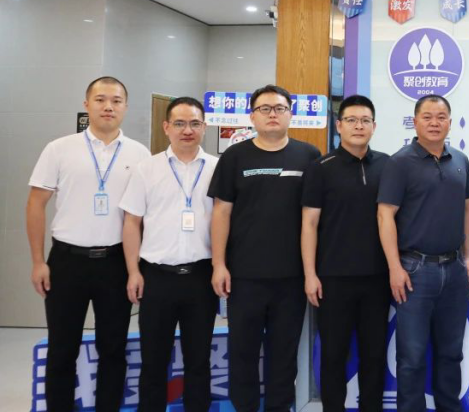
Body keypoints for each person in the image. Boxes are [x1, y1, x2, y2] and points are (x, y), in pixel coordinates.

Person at [26, 76, 151, 411]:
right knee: (62, 348)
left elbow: (141, 216)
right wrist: (38, 261)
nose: (108, 107)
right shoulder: (59, 149)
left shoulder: (140, 154)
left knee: (113, 348)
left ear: (126, 106)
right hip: (67, 261)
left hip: (116, 263)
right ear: (87, 105)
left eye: (116, 101)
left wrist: (135, 268)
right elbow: (36, 204)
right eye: (100, 100)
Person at [208, 84, 321, 412]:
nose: (273, 114)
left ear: (291, 114)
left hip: (291, 277)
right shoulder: (234, 157)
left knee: (283, 355)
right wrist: (218, 264)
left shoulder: (309, 155)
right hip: (244, 276)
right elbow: (221, 212)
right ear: (252, 116)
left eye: (280, 108)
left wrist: (311, 272)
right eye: (265, 109)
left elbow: (314, 218)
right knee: (242, 352)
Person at [377, 94, 469, 412]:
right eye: (428, 117)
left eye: (441, 117)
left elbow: (468, 210)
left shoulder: (460, 159)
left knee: (451, 353)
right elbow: (385, 215)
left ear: (450, 122)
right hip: (414, 271)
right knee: (412, 357)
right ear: (415, 121)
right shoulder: (399, 162)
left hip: (455, 270)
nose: (435, 123)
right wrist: (394, 267)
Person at [120, 96, 218, 412]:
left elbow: (226, 222)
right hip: (156, 277)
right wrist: (133, 271)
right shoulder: (146, 169)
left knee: (199, 360)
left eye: (194, 123)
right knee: (153, 360)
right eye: (179, 123)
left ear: (204, 127)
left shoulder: (218, 168)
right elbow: (131, 222)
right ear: (166, 127)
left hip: (201, 277)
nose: (187, 130)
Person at [302, 95, 391, 412]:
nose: (358, 126)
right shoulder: (320, 168)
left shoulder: (388, 166)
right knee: (333, 355)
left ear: (374, 126)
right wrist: (310, 274)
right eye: (351, 120)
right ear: (339, 126)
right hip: (332, 279)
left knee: (374, 355)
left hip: (377, 279)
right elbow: (309, 223)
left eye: (365, 120)